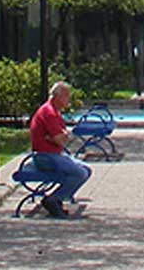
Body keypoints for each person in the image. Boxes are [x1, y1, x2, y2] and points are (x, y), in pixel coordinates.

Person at [27, 81, 91, 217]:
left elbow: (62, 137)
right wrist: (59, 137)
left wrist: (59, 137)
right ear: (58, 96)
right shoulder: (48, 112)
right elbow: (61, 139)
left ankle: (57, 199)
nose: (69, 99)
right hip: (45, 157)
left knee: (86, 170)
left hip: (54, 154)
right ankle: (54, 199)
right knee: (80, 173)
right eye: (67, 96)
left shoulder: (55, 112)